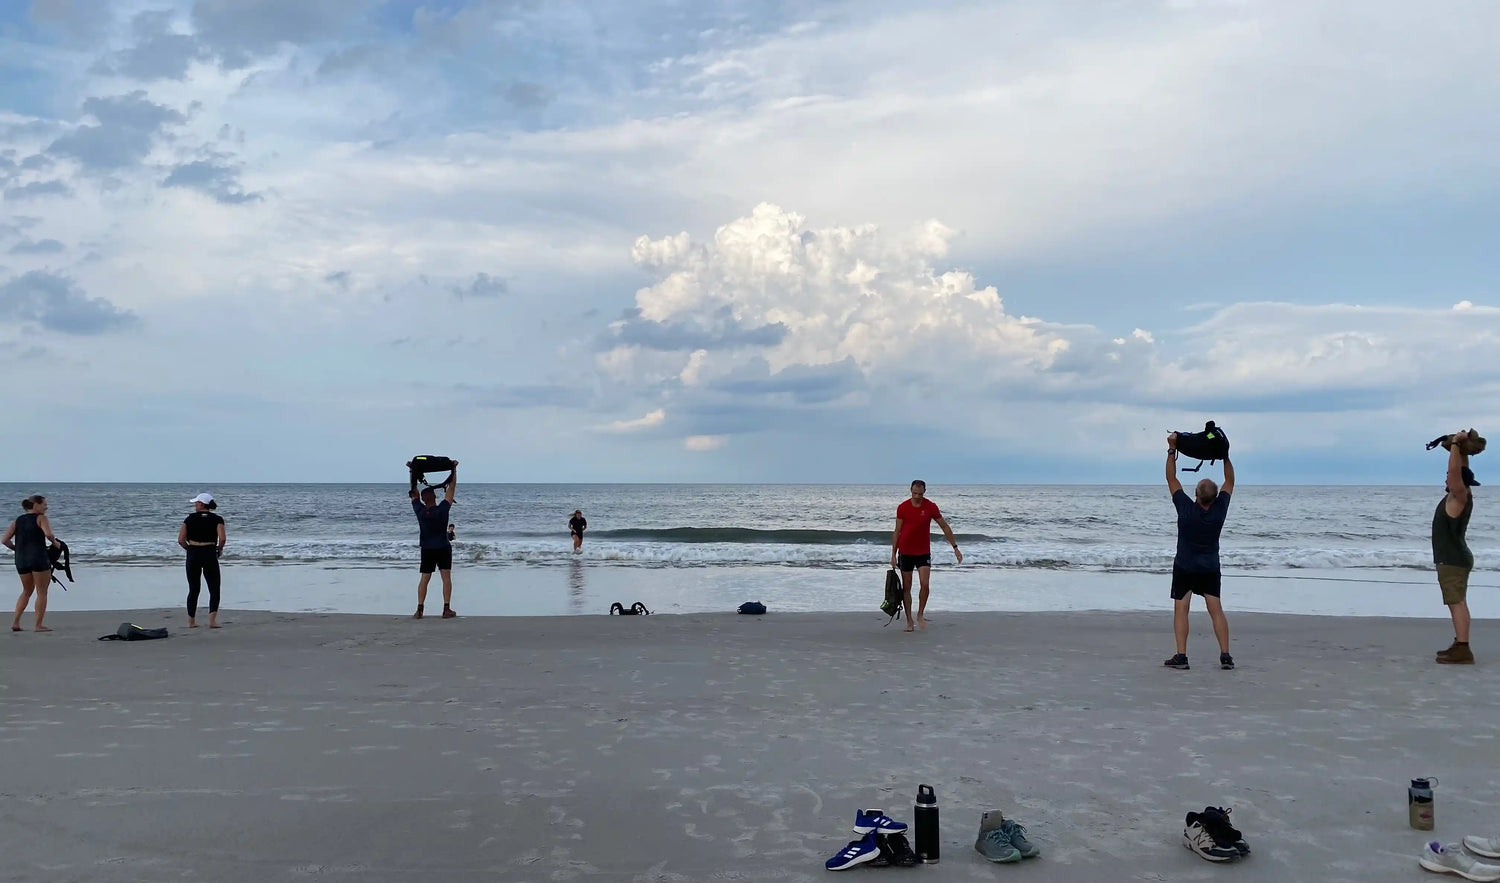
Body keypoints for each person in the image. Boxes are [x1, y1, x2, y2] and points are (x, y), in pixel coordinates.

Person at [1163, 434, 1235, 670]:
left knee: (1181, 608)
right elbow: (1230, 482)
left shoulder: (1185, 507)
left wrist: (1172, 449)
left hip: (1185, 566)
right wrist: (1225, 456)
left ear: (1196, 494)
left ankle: (1181, 656)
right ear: (1214, 498)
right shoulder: (1219, 510)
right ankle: (1225, 655)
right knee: (1216, 610)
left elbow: (1171, 477)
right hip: (1209, 567)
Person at [889, 480, 961, 632]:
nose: (917, 497)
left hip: (923, 552)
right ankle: (909, 621)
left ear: (924, 492)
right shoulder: (902, 507)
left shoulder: (930, 506)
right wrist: (893, 554)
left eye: (920, 494)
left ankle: (920, 614)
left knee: (925, 584)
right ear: (911, 491)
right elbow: (897, 531)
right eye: (914, 493)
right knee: (906, 587)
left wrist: (955, 548)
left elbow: (945, 527)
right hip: (906, 552)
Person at [1434, 430, 1479, 664]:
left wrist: (1453, 446)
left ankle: (1463, 649)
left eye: (1450, 479)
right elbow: (1458, 472)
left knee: (1456, 602)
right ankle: (1460, 643)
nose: (1447, 480)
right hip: (1455, 557)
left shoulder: (1459, 496)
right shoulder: (1462, 495)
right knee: (1458, 601)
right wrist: (1461, 450)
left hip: (1453, 559)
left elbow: (1454, 474)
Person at [409, 461, 458, 619]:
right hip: (443, 547)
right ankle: (446, 609)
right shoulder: (443, 509)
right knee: (446, 577)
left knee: (425, 577)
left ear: (423, 499)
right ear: (435, 497)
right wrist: (454, 470)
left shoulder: (420, 511)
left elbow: (413, 491)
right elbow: (451, 489)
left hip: (427, 548)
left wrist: (412, 471)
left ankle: (420, 609)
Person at [5, 495, 58, 632]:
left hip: (21, 559)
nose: (46, 507)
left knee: (26, 591)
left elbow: (5, 540)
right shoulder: (41, 518)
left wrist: (17, 549)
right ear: (35, 505)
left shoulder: (18, 521)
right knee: (42, 592)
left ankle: (16, 623)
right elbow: (48, 534)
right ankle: (38, 625)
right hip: (38, 558)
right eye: (44, 504)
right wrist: (55, 543)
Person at [177, 492, 226, 629]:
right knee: (214, 587)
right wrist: (219, 549)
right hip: (209, 552)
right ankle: (212, 621)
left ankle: (191, 622)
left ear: (202, 504)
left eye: (196, 503)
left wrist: (189, 549)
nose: (195, 505)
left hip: (193, 552)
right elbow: (222, 538)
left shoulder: (189, 519)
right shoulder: (217, 519)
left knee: (194, 589)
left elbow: (181, 539)